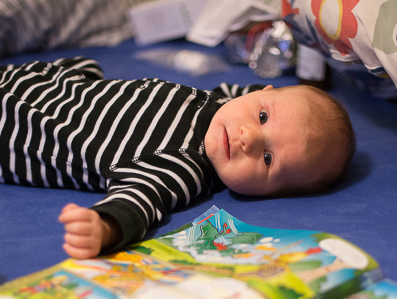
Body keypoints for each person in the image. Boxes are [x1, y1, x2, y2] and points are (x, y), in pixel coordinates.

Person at [0, 56, 355, 259]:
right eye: (262, 117)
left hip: (17, 127)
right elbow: (246, 96)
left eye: (267, 159)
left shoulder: (181, 165)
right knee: (86, 65)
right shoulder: (222, 102)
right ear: (262, 91)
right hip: (49, 82)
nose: (248, 138)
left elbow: (139, 201)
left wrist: (105, 227)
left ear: (268, 194)